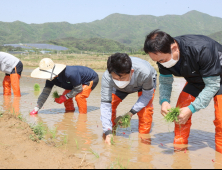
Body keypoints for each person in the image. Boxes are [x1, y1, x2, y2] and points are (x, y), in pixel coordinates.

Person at [143, 29, 222, 153]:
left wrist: (192, 109)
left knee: (221, 120)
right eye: (156, 61)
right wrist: (164, 100)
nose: (160, 64)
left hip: (218, 79)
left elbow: (212, 85)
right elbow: (165, 82)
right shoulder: (161, 57)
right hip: (195, 80)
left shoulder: (202, 48)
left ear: (174, 48)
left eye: (162, 60)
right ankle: (179, 154)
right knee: (180, 115)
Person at [100, 53, 157, 145]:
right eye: (115, 78)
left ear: (132, 71)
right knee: (112, 104)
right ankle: (110, 134)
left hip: (142, 84)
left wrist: (131, 113)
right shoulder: (107, 77)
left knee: (145, 111)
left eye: (121, 78)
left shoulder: (145, 73)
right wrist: (107, 131)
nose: (119, 81)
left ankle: (144, 141)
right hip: (119, 89)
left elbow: (147, 96)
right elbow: (106, 105)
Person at [29, 58, 99, 115]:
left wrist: (64, 97)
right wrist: (37, 108)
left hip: (89, 79)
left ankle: (82, 116)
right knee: (66, 96)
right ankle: (69, 113)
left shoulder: (70, 73)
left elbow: (78, 89)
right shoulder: (50, 78)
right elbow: (45, 93)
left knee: (79, 97)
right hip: (75, 83)